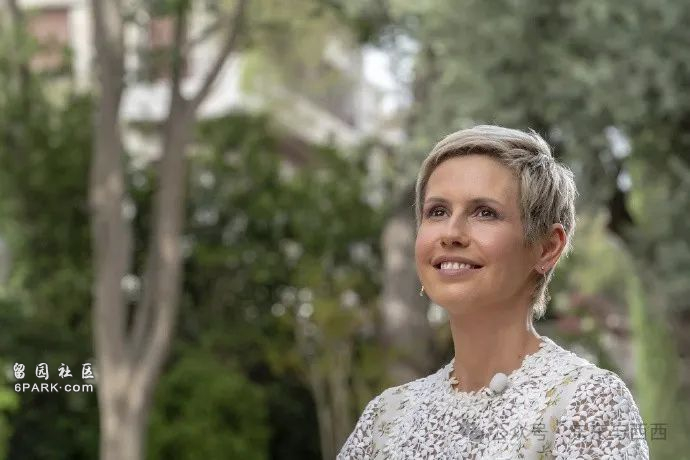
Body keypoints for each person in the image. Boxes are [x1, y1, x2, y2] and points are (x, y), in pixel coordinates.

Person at [337, 125, 650, 459]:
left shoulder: (588, 404)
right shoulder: (384, 419)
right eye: (437, 211)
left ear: (547, 248)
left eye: (485, 213)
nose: (451, 233)